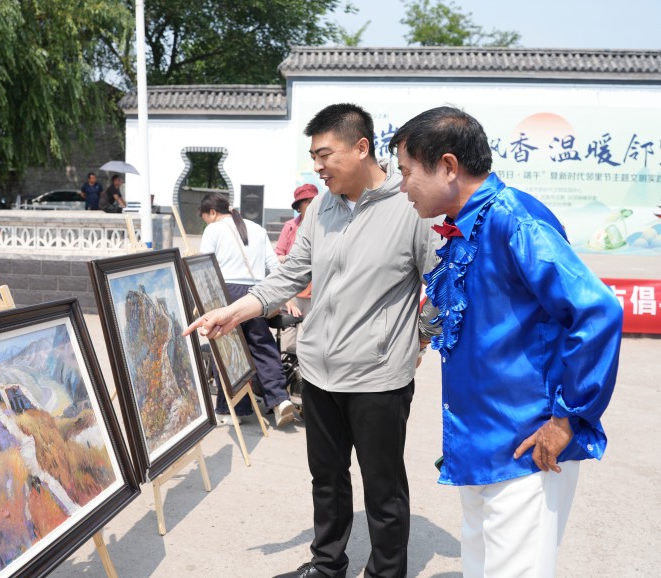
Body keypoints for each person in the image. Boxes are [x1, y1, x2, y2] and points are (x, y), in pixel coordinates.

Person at [186, 103, 442, 578]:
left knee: (383, 488)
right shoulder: (320, 208)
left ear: (361, 147)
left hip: (378, 378)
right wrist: (233, 312)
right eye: (314, 156)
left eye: (325, 155)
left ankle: (386, 573)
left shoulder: (411, 206)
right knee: (326, 480)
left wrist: (420, 338)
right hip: (319, 372)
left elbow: (448, 285)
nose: (318, 167)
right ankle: (327, 566)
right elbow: (287, 277)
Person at [390, 106, 623, 578]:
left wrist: (567, 419)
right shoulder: (465, 225)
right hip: (481, 442)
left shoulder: (514, 221)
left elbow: (597, 311)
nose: (402, 186)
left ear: (449, 167)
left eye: (407, 172)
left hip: (526, 445)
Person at [198, 192, 296, 427]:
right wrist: (284, 299)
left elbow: (203, 265)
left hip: (226, 293)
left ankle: (233, 410)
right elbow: (274, 266)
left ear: (212, 213)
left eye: (205, 217)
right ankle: (279, 398)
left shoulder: (214, 229)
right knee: (262, 346)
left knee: (229, 352)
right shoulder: (258, 229)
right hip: (258, 294)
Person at [274, 184, 319, 357]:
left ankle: (303, 381)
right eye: (307, 201)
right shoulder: (290, 226)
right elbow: (277, 256)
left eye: (313, 200)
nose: (311, 204)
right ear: (299, 206)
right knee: (287, 342)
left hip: (316, 293)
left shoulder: (325, 225)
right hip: (292, 292)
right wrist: (297, 260)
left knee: (308, 342)